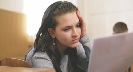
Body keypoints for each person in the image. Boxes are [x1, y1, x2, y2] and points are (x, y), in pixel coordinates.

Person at [25, 1, 91, 72]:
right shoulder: (40, 56)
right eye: (67, 29)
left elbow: (94, 68)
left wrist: (84, 37)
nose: (75, 34)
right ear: (52, 32)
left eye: (78, 25)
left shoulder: (75, 46)